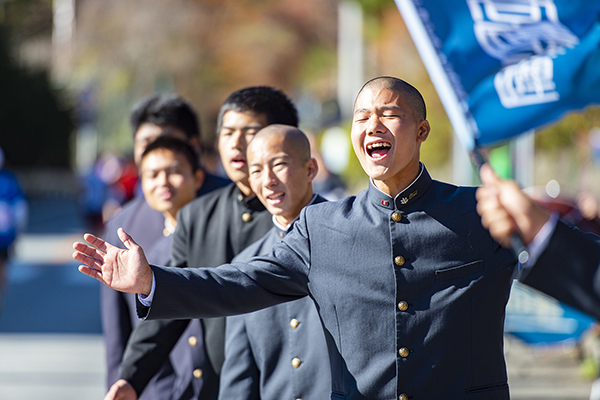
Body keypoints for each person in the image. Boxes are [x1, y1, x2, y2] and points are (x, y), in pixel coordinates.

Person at [74, 76, 600, 400]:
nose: (374, 123)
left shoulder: (477, 213)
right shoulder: (321, 227)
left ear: (421, 132)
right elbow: (238, 283)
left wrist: (537, 225)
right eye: (362, 116)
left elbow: (573, 266)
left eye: (389, 113)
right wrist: (153, 282)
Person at [106, 86, 300, 400]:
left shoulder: (308, 217)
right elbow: (171, 308)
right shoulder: (197, 215)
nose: (236, 143)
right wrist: (131, 379)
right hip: (218, 388)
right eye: (227, 132)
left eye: (250, 131)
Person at [101, 93, 230, 400]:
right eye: (145, 143)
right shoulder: (123, 224)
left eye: (168, 142)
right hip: (154, 387)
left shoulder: (229, 203)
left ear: (194, 147)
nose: (156, 153)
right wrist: (122, 383)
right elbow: (117, 332)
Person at [218, 125, 330, 400]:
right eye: (256, 170)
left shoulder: (349, 239)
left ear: (311, 169)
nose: (267, 180)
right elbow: (239, 376)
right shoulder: (247, 262)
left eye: (279, 165)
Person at [0, 146, 28, 313]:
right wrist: (18, 233)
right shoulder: (10, 181)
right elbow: (21, 210)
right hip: (5, 235)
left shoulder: (9, 181)